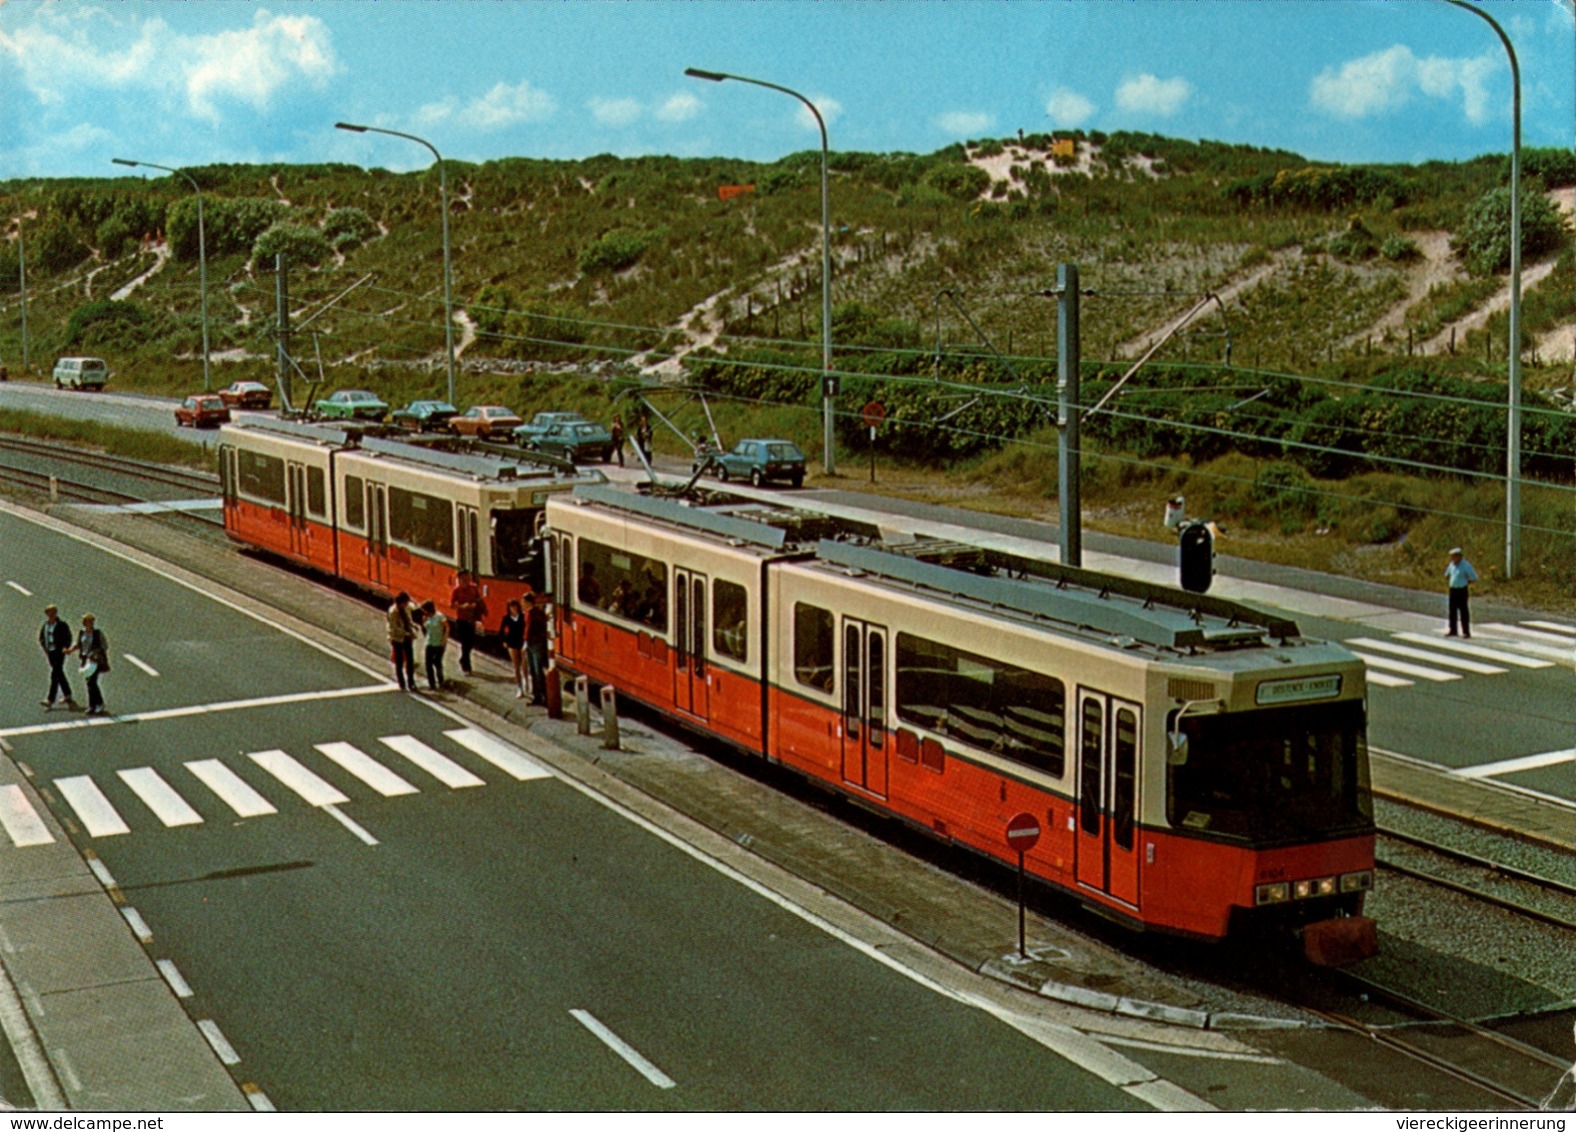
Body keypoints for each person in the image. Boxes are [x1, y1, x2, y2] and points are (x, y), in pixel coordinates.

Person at [38, 604, 77, 710]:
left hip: (59, 652)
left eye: (53, 612)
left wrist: (65, 647)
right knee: (59, 673)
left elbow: (68, 637)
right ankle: (68, 694)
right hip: (50, 652)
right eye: (49, 613)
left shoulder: (62, 625)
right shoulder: (45, 625)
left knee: (55, 674)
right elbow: (42, 637)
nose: (51, 615)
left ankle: (50, 699)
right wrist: (45, 647)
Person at [71, 613, 110, 716]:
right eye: (85, 622)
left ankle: (99, 704)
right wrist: (70, 650)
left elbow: (104, 646)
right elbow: (79, 644)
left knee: (92, 682)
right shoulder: (82, 632)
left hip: (94, 660)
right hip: (85, 659)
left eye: (89, 622)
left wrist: (95, 654)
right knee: (89, 683)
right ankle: (92, 705)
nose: (87, 624)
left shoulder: (97, 633)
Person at [450, 571, 486, 675]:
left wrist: (475, 604)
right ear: (459, 580)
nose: (466, 581)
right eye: (464, 579)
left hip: (471, 618)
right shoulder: (456, 590)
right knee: (465, 643)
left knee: (471, 642)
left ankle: (463, 659)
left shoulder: (473, 588)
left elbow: (478, 599)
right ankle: (467, 667)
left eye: (468, 579)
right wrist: (462, 607)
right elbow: (452, 605)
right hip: (461, 619)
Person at [1444, 547, 1478, 638]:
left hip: (1462, 590)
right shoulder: (1452, 565)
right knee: (1452, 610)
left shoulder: (1466, 565)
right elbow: (1447, 574)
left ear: (1459, 556)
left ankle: (1466, 631)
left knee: (1463, 611)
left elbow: (1474, 577)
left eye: (1454, 556)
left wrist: (1466, 582)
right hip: (1453, 590)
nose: (1452, 558)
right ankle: (1453, 630)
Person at [387, 592, 417, 690]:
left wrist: (412, 626)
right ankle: (401, 682)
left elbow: (408, 619)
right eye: (406, 603)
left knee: (410, 660)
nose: (407, 605)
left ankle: (411, 682)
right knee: (399, 662)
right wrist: (407, 633)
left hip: (407, 637)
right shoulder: (393, 612)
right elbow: (394, 628)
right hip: (397, 638)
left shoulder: (406, 608)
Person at [500, 598, 527, 698]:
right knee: (516, 666)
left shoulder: (523, 617)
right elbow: (501, 631)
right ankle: (519, 687)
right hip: (512, 642)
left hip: (522, 641)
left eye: (515, 606)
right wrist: (504, 641)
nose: (513, 609)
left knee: (524, 664)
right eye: (511, 607)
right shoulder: (506, 618)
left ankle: (526, 682)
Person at [525, 593, 550, 705]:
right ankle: (537, 696)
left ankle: (544, 696)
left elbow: (532, 628)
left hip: (534, 643)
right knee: (533, 670)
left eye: (524, 601)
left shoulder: (534, 613)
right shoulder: (530, 613)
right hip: (531, 643)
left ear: (529, 602)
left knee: (537, 670)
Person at [420, 600, 448, 691]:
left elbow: (447, 627)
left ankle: (441, 680)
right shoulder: (426, 618)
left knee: (436, 662)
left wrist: (444, 639)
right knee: (428, 663)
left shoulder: (439, 617)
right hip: (429, 642)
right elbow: (424, 628)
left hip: (439, 642)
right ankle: (431, 684)